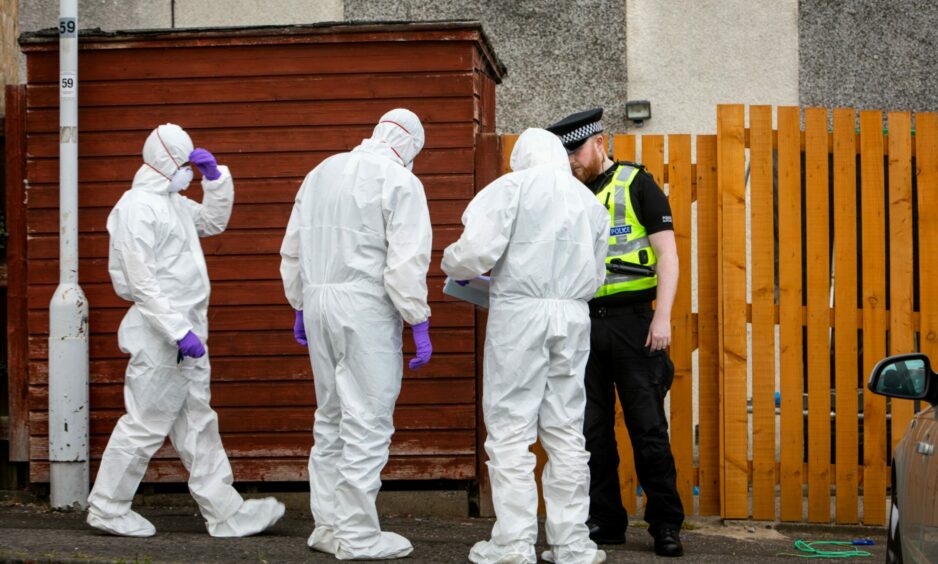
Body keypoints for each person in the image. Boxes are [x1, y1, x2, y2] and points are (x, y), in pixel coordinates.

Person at [87, 123, 285, 538]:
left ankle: (225, 512)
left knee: (197, 421)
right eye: (186, 164)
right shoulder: (136, 206)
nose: (189, 173)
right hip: (163, 334)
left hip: (186, 333)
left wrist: (217, 180)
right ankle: (107, 507)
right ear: (166, 164)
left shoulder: (173, 202)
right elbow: (142, 283)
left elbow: (212, 222)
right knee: (145, 422)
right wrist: (178, 331)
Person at [442, 128, 610, 564]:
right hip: (572, 315)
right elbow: (595, 277)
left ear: (522, 158)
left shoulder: (510, 188)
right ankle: (571, 544)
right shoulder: (589, 203)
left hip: (521, 316)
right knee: (567, 430)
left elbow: (474, 254)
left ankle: (514, 543)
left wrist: (451, 263)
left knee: (511, 429)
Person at [280, 108, 433, 560]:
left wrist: (300, 303)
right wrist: (417, 318)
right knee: (367, 419)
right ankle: (359, 536)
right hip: (365, 307)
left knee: (330, 417)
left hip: (320, 301)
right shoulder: (400, 181)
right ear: (408, 146)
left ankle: (328, 525)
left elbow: (293, 245)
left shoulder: (321, 172)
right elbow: (406, 260)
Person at [546, 108, 684, 557]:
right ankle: (606, 521)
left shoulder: (637, 184)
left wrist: (661, 317)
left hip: (634, 325)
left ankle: (665, 524)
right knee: (591, 431)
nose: (572, 161)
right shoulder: (565, 195)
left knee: (648, 430)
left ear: (600, 142)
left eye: (577, 151)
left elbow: (667, 255)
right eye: (565, 154)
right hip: (583, 324)